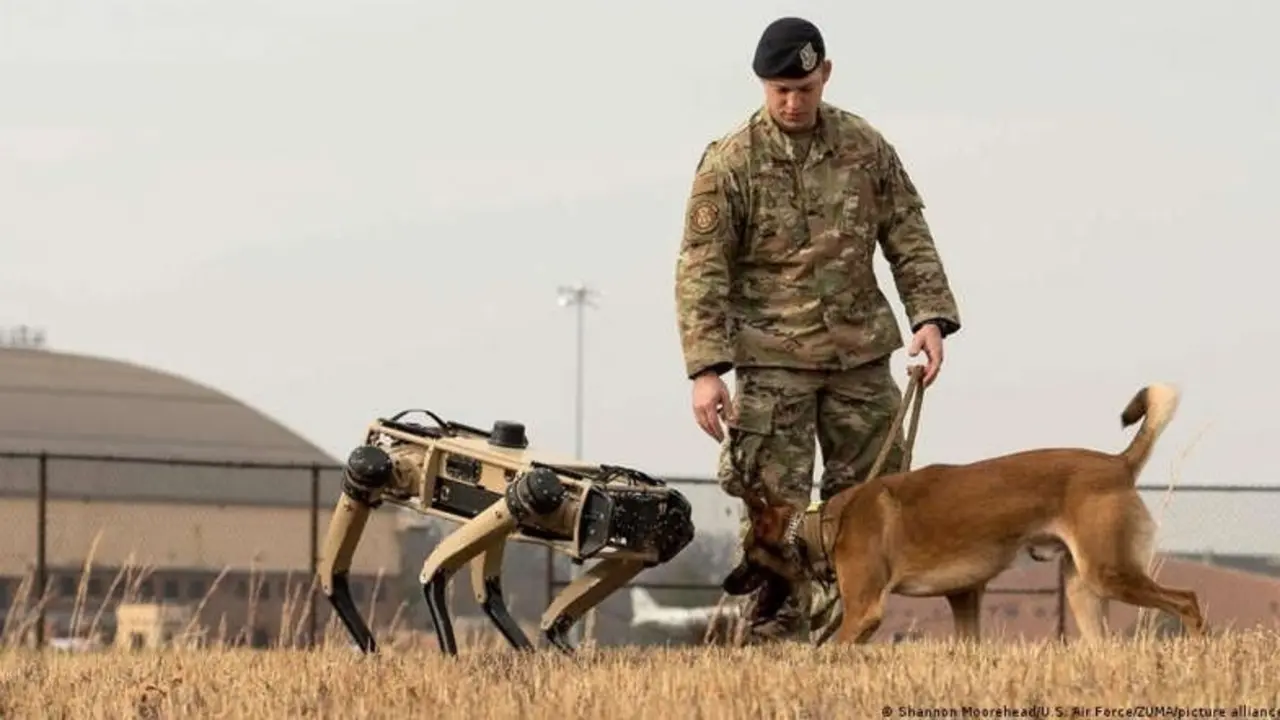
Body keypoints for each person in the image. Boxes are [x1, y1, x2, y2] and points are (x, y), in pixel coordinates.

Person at [673, 16, 962, 643]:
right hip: (772, 363)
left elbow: (907, 233)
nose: (792, 102)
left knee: (872, 504)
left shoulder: (864, 146)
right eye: (780, 90)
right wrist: (706, 370)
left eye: (803, 88)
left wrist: (930, 317)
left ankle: (844, 632)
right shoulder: (731, 162)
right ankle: (775, 637)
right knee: (774, 512)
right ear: (761, 84)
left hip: (860, 357)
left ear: (825, 75)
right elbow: (701, 269)